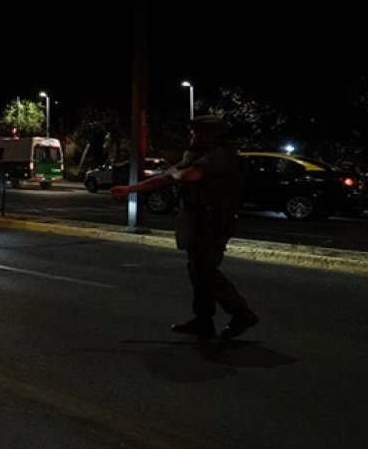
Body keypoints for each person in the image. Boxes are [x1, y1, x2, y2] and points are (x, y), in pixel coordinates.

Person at [110, 115, 259, 341]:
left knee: (206, 270)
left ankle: (242, 314)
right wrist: (130, 189)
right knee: (196, 270)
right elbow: (166, 178)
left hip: (215, 220)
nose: (192, 136)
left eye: (196, 132)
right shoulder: (196, 155)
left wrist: (176, 173)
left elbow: (189, 175)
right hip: (198, 219)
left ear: (209, 135)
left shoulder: (221, 156)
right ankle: (203, 320)